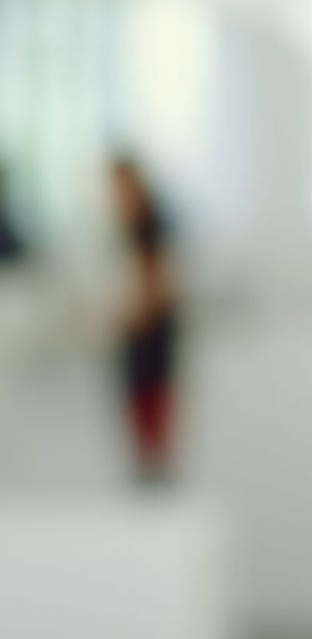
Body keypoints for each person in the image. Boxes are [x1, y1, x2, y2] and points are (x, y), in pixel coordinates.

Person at [108, 149, 179, 485]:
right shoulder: (130, 226)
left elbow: (160, 288)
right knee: (138, 425)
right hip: (138, 338)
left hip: (151, 338)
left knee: (153, 422)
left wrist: (129, 320)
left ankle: (155, 488)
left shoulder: (151, 225)